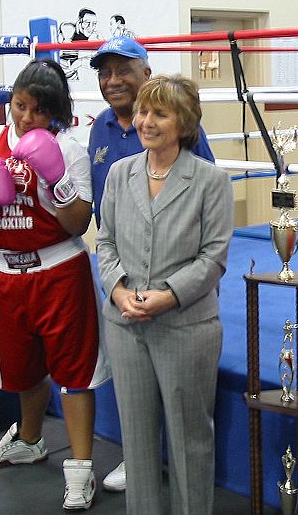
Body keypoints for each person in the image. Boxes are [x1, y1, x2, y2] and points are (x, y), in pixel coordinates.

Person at [0, 59, 109, 511]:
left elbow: (79, 222)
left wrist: (56, 180)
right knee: (22, 369)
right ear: (11, 100)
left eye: (38, 111)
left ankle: (81, 468)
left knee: (75, 372)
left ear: (54, 113)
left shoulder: (69, 150)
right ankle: (30, 439)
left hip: (57, 269)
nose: (25, 118)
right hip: (4, 272)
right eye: (20, 105)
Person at [95, 74, 233, 515]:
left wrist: (168, 296)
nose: (145, 121)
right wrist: (118, 292)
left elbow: (213, 258)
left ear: (184, 122)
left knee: (190, 441)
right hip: (124, 325)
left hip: (186, 328)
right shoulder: (120, 173)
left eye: (159, 113)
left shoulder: (211, 181)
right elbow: (105, 242)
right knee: (135, 442)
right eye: (142, 111)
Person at [88, 36, 215, 227]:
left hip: (172, 251)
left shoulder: (176, 126)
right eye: (105, 73)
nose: (113, 81)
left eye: (123, 71)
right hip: (115, 250)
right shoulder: (99, 126)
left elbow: (209, 190)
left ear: (146, 73)